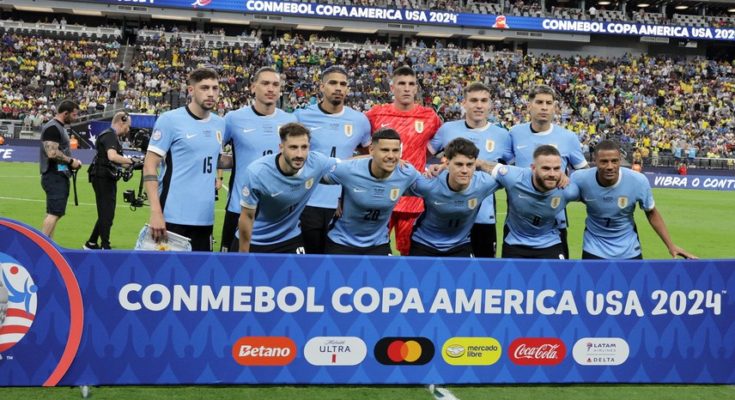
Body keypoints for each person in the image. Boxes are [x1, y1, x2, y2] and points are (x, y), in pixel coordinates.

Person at [143, 68, 227, 251]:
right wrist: (156, 212)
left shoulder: (220, 124)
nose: (211, 93)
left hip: (205, 218)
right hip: (172, 217)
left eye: (215, 88)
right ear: (191, 90)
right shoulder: (170, 120)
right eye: (204, 88)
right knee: (166, 277)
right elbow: (150, 165)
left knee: (199, 277)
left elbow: (215, 159)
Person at [571, 140, 697, 260]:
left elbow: (651, 213)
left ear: (620, 160)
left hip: (629, 250)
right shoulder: (580, 179)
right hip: (594, 248)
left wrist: (670, 245)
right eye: (604, 161)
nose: (610, 166)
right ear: (595, 161)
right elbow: (561, 195)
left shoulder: (638, 181)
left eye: (614, 161)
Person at [429, 82, 512, 258]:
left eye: (484, 100)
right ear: (464, 103)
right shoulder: (447, 129)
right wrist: (440, 164)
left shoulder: (502, 135)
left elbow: (509, 171)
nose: (479, 105)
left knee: (484, 268)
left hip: (484, 215)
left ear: (490, 104)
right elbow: (428, 156)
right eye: (473, 100)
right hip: (448, 212)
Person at [365, 66, 442, 255]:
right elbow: (363, 147)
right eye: (401, 84)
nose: (407, 88)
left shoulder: (430, 117)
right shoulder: (375, 114)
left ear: (416, 88)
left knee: (411, 254)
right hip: (380, 195)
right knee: (375, 250)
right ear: (392, 88)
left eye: (411, 84)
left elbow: (441, 147)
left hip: (413, 198)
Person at [294, 66, 372, 254]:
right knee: (307, 264)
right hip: (306, 203)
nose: (338, 88)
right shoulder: (301, 117)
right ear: (321, 87)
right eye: (333, 83)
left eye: (343, 84)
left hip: (342, 206)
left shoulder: (360, 121)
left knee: (335, 264)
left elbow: (369, 158)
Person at [219, 67, 297, 252]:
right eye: (265, 83)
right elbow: (214, 152)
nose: (271, 89)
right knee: (232, 269)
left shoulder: (291, 121)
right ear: (253, 87)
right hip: (239, 208)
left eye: (275, 84)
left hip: (277, 212)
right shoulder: (233, 118)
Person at [509, 85, 588, 259]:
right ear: (529, 106)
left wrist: (569, 178)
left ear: (555, 107)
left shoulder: (568, 137)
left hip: (554, 223)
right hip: (517, 223)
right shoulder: (514, 133)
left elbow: (586, 175)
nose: (544, 107)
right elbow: (503, 168)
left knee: (558, 280)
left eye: (548, 103)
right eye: (539, 102)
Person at [236, 123, 337, 253]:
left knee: (299, 273)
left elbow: (350, 168)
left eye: (304, 147)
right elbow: (247, 217)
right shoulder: (257, 172)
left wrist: (372, 159)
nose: (299, 154)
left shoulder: (317, 162)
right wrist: (243, 255)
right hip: (256, 239)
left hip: (289, 238)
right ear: (281, 147)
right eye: (293, 147)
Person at [322, 128, 421, 255]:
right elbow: (314, 176)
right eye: (385, 150)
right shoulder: (349, 170)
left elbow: (433, 187)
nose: (391, 156)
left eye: (395, 150)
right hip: (342, 242)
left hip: (378, 244)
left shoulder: (406, 173)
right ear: (371, 150)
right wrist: (334, 198)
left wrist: (443, 166)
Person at [409, 138, 500, 257]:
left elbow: (516, 175)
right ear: (447, 163)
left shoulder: (483, 183)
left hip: (460, 246)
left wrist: (482, 164)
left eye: (470, 164)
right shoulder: (429, 183)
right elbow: (398, 182)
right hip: (424, 244)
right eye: (459, 164)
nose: (464, 170)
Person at [492, 145, 579, 259]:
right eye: (546, 168)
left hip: (550, 243)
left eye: (557, 168)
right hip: (515, 243)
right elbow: (485, 166)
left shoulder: (569, 190)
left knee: (558, 276)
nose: (552, 174)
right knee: (510, 277)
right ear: (533, 168)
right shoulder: (514, 177)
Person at [84, 112, 136, 250]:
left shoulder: (111, 136)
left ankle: (92, 242)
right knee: (106, 213)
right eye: (128, 126)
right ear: (121, 122)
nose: (128, 129)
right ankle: (105, 246)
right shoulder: (110, 135)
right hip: (103, 176)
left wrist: (136, 164)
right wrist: (131, 161)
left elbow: (120, 162)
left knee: (106, 212)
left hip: (105, 176)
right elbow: (112, 157)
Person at [39, 99, 82, 238]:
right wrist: (71, 161)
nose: (76, 118)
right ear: (65, 113)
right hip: (54, 176)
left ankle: (48, 247)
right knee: (54, 213)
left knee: (52, 213)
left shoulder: (59, 127)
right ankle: (40, 247)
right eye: (74, 115)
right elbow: (51, 153)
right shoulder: (53, 127)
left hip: (58, 175)